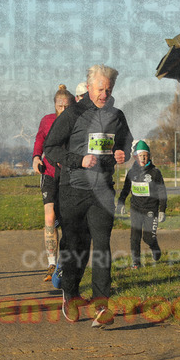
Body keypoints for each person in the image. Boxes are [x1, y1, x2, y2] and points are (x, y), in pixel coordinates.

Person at [44, 64, 133, 328]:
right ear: (89, 86)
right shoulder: (73, 114)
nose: (104, 94)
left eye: (108, 90)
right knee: (76, 247)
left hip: (102, 190)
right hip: (73, 189)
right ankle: (70, 293)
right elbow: (51, 148)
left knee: (102, 244)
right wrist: (78, 160)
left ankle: (102, 305)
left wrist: (122, 154)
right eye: (100, 89)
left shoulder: (117, 116)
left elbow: (125, 144)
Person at [32, 85, 76, 281]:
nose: (63, 110)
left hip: (69, 174)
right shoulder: (47, 120)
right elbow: (39, 139)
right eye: (60, 106)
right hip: (49, 172)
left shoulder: (77, 122)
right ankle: (51, 263)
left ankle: (65, 262)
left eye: (67, 107)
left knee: (67, 218)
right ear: (54, 105)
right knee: (49, 217)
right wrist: (36, 157)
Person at [116, 140, 167, 268]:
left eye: (145, 155)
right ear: (135, 157)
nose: (143, 158)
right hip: (136, 209)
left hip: (151, 209)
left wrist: (162, 210)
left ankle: (154, 247)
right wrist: (121, 203)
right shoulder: (131, 172)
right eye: (140, 156)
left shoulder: (155, 172)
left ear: (149, 156)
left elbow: (162, 192)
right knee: (135, 237)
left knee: (148, 238)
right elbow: (125, 190)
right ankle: (136, 263)